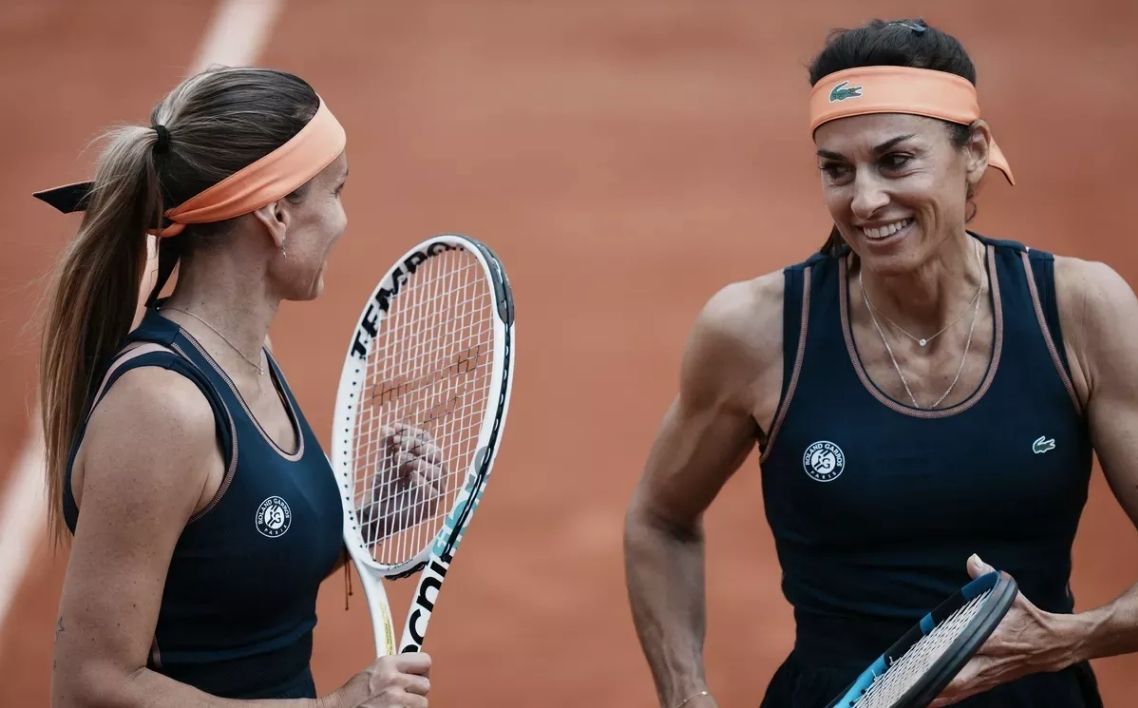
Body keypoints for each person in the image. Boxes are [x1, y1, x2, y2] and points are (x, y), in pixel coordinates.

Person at [624, 18, 1138, 708]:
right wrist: (687, 696)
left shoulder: (1078, 310)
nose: (864, 201)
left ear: (975, 153)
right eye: (837, 170)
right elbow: (660, 519)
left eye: (896, 161)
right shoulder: (757, 330)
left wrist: (1065, 639)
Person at [38, 67, 436, 706]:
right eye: (334, 191)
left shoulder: (243, 355)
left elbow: (235, 559)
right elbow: (91, 683)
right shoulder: (164, 410)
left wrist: (373, 512)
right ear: (277, 214)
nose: (341, 219)